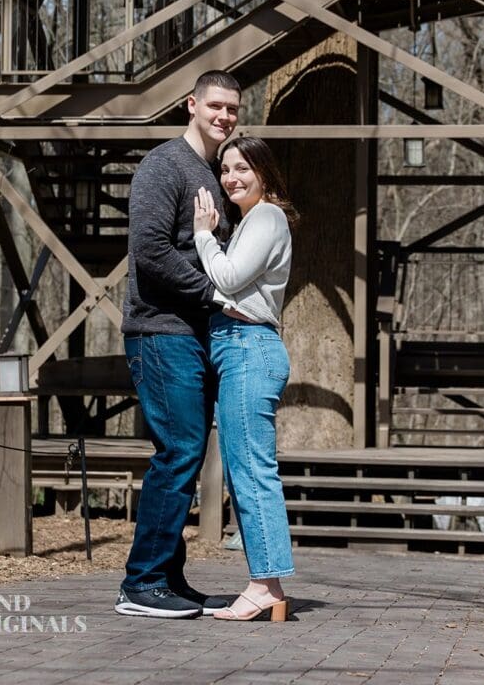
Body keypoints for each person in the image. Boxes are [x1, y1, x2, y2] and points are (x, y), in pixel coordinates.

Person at [114, 70, 242, 619]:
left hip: (196, 334)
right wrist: (213, 294)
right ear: (192, 104)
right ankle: (140, 583)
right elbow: (150, 251)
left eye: (233, 109)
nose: (224, 117)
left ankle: (167, 577)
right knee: (181, 451)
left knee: (185, 455)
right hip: (159, 331)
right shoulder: (164, 166)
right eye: (215, 105)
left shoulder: (215, 175)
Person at [193, 136, 297, 622]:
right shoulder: (252, 220)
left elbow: (230, 278)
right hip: (240, 348)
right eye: (226, 169)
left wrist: (202, 235)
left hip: (248, 348)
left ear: (265, 172)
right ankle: (266, 583)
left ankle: (266, 586)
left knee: (252, 471)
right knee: (245, 470)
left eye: (242, 168)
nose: (231, 177)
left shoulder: (267, 217)